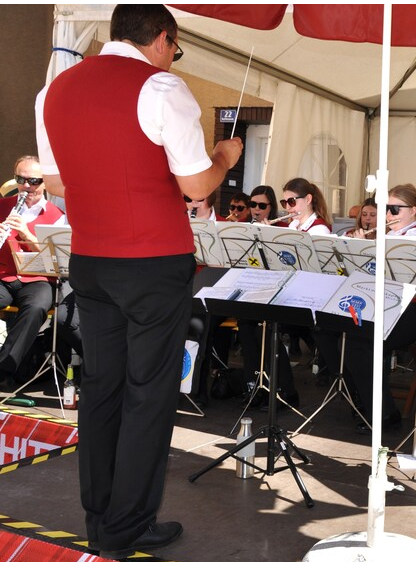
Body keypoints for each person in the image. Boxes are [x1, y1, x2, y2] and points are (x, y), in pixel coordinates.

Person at [36, 5, 243, 559]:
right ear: (163, 38)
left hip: (91, 259)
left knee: (102, 389)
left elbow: (55, 177)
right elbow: (197, 184)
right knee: (148, 394)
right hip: (151, 261)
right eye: (175, 48)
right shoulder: (161, 87)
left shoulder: (54, 89)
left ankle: (100, 518)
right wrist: (225, 155)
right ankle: (127, 526)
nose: (174, 56)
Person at [339, 184, 416, 433]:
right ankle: (369, 403)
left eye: (394, 209)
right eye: (385, 209)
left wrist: (368, 248)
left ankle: (382, 411)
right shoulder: (391, 234)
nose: (388, 215)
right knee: (347, 336)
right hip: (390, 305)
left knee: (364, 343)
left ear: (413, 210)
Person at [0, 156, 76, 391]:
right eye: (21, 179)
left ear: (44, 183)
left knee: (36, 308)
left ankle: (4, 370)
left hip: (38, 279)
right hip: (4, 276)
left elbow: (57, 259)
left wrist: (27, 234)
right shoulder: (2, 207)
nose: (27, 186)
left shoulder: (58, 215)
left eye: (33, 181)